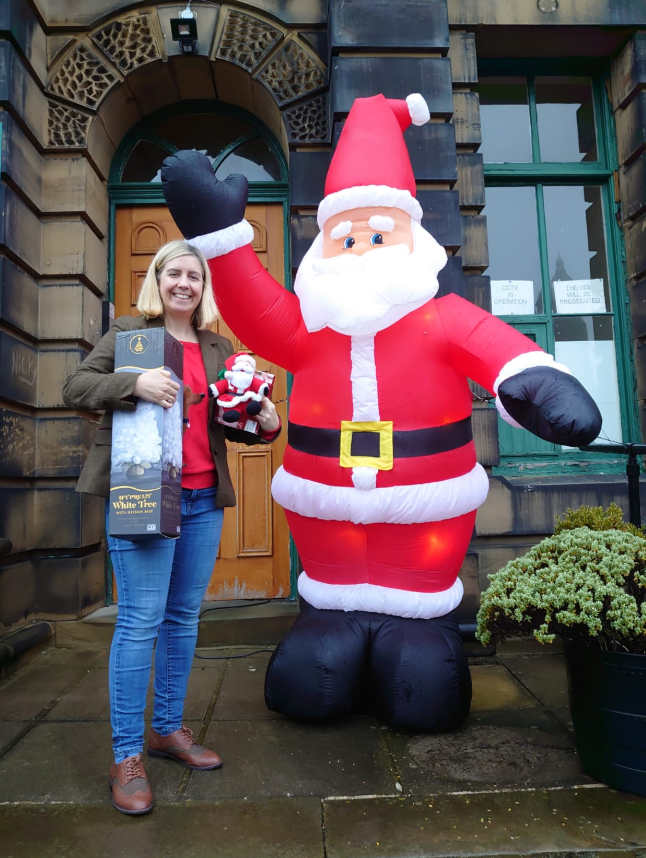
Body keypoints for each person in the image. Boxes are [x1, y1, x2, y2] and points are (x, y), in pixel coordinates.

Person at [160, 94, 601, 734]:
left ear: (412, 239)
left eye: (378, 233)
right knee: (317, 668)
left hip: (425, 516)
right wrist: (222, 243)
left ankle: (417, 631)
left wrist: (541, 386)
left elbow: (500, 352)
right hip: (326, 517)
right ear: (325, 244)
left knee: (419, 672)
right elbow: (257, 312)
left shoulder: (441, 317)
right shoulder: (311, 324)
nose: (363, 248)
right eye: (348, 236)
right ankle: (330, 627)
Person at [62, 240, 280, 815]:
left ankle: (167, 730)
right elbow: (75, 388)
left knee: (183, 618)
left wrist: (264, 422)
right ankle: (127, 755)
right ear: (157, 279)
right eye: (174, 273)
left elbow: (229, 423)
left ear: (204, 288)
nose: (185, 283)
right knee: (140, 621)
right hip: (143, 496)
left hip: (203, 498)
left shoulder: (218, 347)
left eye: (194, 276)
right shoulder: (130, 333)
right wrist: (132, 384)